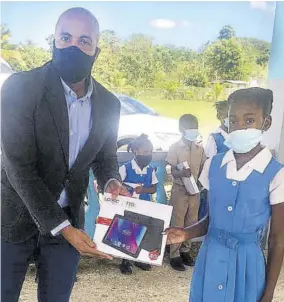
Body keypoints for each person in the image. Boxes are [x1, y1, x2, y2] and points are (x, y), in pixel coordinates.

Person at [1, 8, 129, 302]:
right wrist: (64, 229)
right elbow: (18, 166)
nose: (74, 46)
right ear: (54, 42)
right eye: (65, 37)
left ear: (96, 50)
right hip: (15, 217)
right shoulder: (20, 88)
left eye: (84, 40)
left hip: (70, 217)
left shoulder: (109, 104)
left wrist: (111, 181)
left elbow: (105, 156)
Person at [165, 88, 284, 302]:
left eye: (249, 121)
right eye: (233, 120)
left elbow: (277, 239)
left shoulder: (276, 173)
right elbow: (211, 218)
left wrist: (268, 293)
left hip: (247, 264)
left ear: (266, 123)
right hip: (211, 257)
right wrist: (186, 233)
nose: (239, 128)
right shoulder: (214, 165)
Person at [166, 114, 206, 271]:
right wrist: (180, 173)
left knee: (192, 221)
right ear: (181, 129)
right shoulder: (175, 147)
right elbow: (170, 169)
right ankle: (174, 255)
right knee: (177, 221)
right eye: (189, 127)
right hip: (180, 190)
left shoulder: (199, 148)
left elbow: (203, 167)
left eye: (195, 127)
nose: (193, 130)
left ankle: (185, 251)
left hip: (194, 191)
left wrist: (200, 182)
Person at [119, 134, 158, 274]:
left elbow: (154, 188)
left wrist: (144, 189)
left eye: (151, 152)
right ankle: (125, 261)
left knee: (143, 231)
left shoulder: (150, 170)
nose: (149, 155)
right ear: (136, 151)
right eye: (146, 152)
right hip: (129, 206)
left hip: (145, 205)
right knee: (129, 231)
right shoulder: (125, 168)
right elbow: (118, 184)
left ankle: (139, 259)